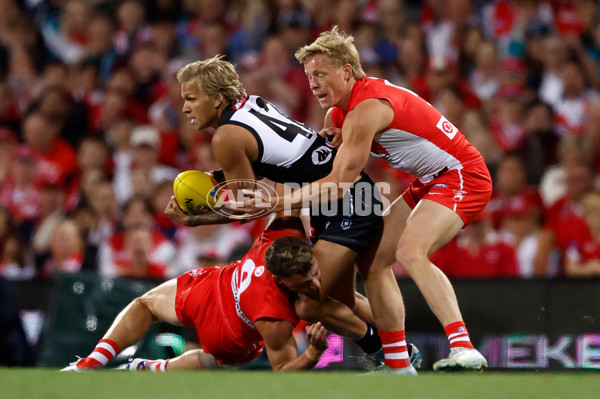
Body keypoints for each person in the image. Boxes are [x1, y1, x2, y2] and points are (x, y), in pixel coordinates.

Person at [234, 26, 491, 371]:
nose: (313, 83)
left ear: (346, 71)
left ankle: (463, 347)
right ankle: (400, 366)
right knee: (373, 263)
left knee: (411, 252)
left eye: (321, 74)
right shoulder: (339, 117)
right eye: (309, 76)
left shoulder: (367, 108)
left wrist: (273, 204)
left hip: (463, 174)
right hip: (429, 180)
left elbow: (338, 183)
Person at [169, 55, 413, 373]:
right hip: (342, 197)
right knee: (343, 300)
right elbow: (263, 167)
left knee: (309, 303)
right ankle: (399, 352)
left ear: (216, 99)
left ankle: (384, 352)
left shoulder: (225, 137)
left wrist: (195, 218)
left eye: (191, 98)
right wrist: (216, 178)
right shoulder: (249, 104)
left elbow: (248, 208)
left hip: (345, 201)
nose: (185, 107)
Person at [61, 213, 388, 372]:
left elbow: (286, 194)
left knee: (145, 305)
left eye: (314, 273)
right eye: (304, 282)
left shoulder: (281, 233)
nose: (315, 283)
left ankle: (98, 363)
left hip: (215, 283)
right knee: (207, 357)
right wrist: (314, 353)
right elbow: (284, 372)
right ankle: (134, 367)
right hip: (230, 331)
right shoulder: (273, 320)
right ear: (284, 280)